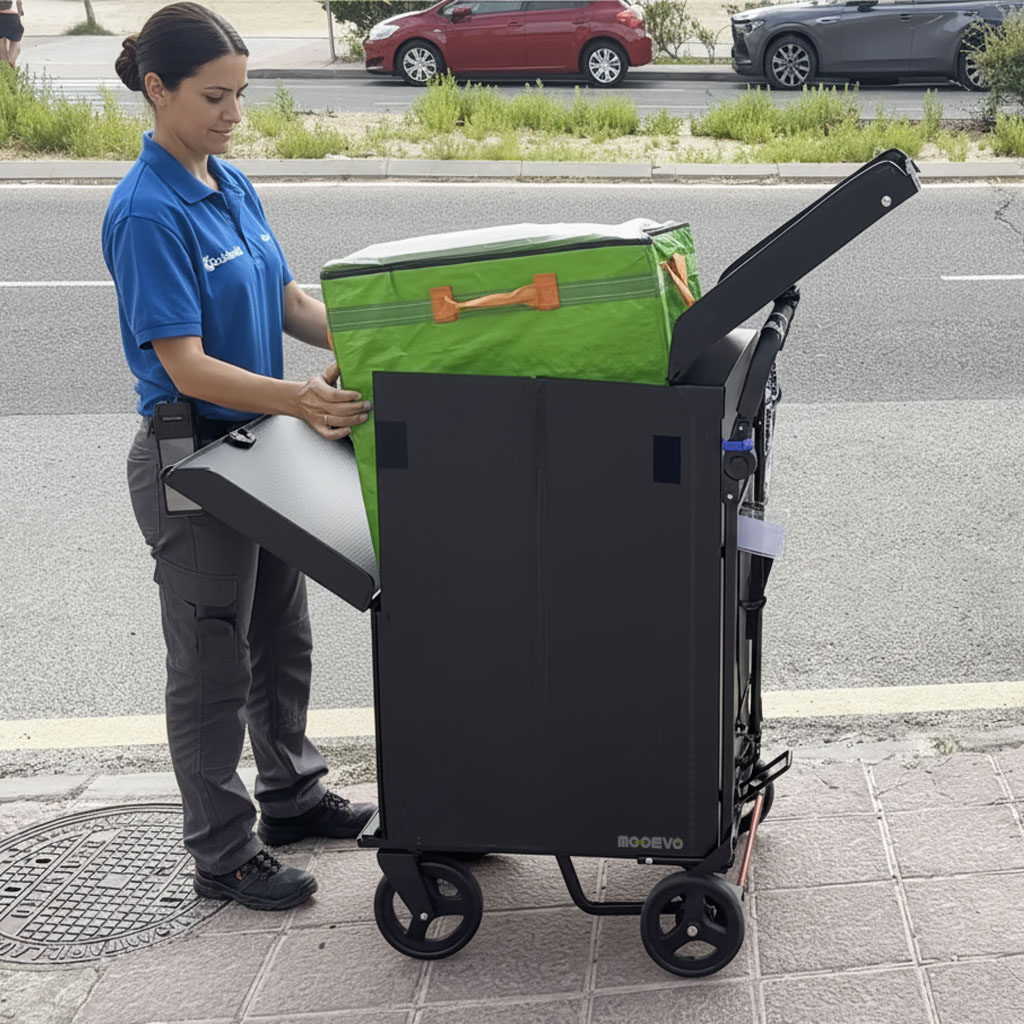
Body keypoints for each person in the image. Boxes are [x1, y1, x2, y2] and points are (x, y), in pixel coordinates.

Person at [102, 2, 375, 912]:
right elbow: (185, 363)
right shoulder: (147, 212)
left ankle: (291, 796)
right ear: (156, 88)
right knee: (214, 664)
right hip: (196, 458)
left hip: (262, 448)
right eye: (214, 96)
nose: (232, 112)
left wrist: (379, 337)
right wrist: (301, 397)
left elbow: (290, 300)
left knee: (280, 636)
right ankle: (223, 855)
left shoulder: (229, 181)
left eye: (241, 94)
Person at [0, 0, 24, 69]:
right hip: (12, 18)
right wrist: (19, 17)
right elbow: (19, 2)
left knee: (2, 58)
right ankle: (11, 62)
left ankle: (5, 66)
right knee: (15, 47)